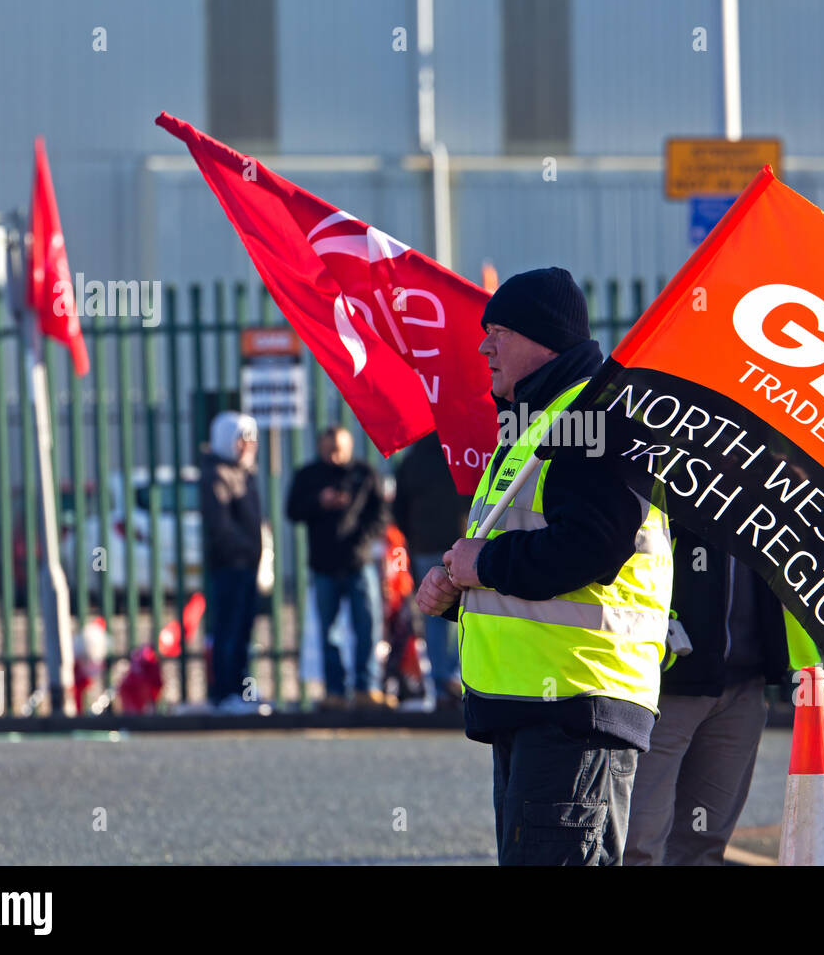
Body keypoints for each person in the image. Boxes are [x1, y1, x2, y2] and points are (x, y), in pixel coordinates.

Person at [416, 266, 673, 866]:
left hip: (576, 706)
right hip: (543, 708)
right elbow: (523, 552)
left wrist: (486, 564)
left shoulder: (589, 419)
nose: (483, 347)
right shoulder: (542, 420)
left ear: (544, 339)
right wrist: (459, 577)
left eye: (498, 331)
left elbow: (591, 547)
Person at [624, 529, 788, 865]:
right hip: (666, 685)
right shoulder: (673, 482)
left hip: (746, 684)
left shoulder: (770, 485)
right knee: (636, 840)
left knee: (704, 844)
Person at [286, 425, 392, 709]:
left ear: (349, 447)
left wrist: (364, 540)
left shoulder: (364, 473)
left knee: (367, 626)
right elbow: (292, 510)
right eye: (329, 449)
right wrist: (319, 502)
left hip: (359, 562)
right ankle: (334, 690)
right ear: (320, 447)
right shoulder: (309, 475)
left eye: (339, 450)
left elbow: (380, 515)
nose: (334, 456)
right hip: (324, 564)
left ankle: (366, 687)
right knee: (328, 631)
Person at [392, 432, 470, 709]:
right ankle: (459, 679)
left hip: (425, 546)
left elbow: (398, 508)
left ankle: (439, 686)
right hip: (462, 545)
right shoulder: (464, 452)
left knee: (434, 615)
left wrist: (413, 537)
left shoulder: (413, 459)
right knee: (470, 613)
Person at [200, 411, 263, 712]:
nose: (248, 446)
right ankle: (226, 693)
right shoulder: (217, 474)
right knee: (229, 631)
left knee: (243, 631)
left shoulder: (244, 472)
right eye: (242, 440)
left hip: (247, 565)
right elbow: (220, 526)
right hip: (230, 566)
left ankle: (241, 689)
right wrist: (244, 550)